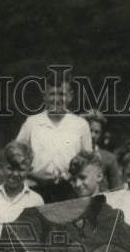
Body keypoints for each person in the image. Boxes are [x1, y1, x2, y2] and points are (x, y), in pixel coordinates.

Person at [16, 70, 92, 203]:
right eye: (52, 94)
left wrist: (72, 174)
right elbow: (16, 155)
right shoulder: (32, 123)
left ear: (70, 96)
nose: (56, 99)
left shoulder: (80, 124)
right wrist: (31, 172)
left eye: (62, 94)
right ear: (45, 96)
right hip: (36, 188)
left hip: (70, 190)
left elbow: (89, 161)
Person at [0, 140, 44, 245]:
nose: (15, 174)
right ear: (2, 167)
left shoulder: (36, 200)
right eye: (10, 168)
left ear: (29, 170)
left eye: (21, 169)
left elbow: (39, 238)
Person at [84, 111, 123, 190]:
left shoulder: (109, 158)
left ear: (101, 134)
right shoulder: (74, 154)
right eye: (90, 130)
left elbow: (117, 189)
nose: (93, 135)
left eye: (97, 132)